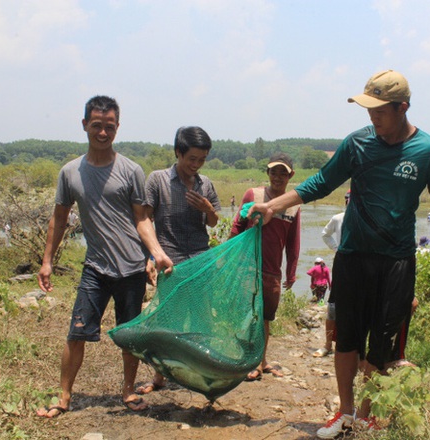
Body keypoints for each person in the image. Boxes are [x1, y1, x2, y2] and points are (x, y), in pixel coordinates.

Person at [248, 69, 430, 437]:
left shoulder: (429, 153)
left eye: (380, 111)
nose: (372, 117)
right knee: (347, 338)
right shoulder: (357, 144)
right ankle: (345, 413)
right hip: (353, 255)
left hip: (396, 262)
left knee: (382, 344)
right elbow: (321, 182)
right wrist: (275, 205)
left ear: (403, 107)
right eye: (368, 110)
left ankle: (367, 415)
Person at [35, 96, 173, 418]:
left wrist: (156, 254)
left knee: (129, 334)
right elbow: (59, 217)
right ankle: (64, 396)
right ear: (84, 125)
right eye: (96, 125)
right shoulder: (71, 172)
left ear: (117, 128)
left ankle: (127, 390)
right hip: (95, 268)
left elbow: (142, 218)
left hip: (131, 268)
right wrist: (47, 261)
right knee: (76, 331)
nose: (102, 133)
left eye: (109, 127)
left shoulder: (131, 171)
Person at [137, 126, 221, 395]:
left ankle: (201, 371)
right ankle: (160, 377)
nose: (195, 165)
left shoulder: (205, 184)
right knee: (168, 320)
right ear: (178, 153)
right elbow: (146, 219)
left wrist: (207, 209)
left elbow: (214, 221)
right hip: (169, 260)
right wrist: (150, 256)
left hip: (199, 259)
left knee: (200, 318)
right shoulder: (158, 180)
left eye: (202, 160)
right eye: (191, 159)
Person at [230, 152, 301, 381]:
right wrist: (231, 259)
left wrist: (291, 272)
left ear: (291, 175)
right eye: (273, 172)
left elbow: (293, 243)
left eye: (283, 173)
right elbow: (237, 227)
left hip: (272, 270)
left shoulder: (293, 206)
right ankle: (248, 360)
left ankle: (260, 360)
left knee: (265, 318)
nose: (277, 177)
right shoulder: (254, 195)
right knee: (247, 314)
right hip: (247, 266)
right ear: (267, 173)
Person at [315, 190, 351, 358]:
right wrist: (337, 248)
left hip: (363, 263)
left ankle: (355, 348)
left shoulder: (368, 219)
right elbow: (325, 234)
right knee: (333, 304)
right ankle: (328, 344)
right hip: (342, 262)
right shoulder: (339, 218)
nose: (349, 202)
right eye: (347, 200)